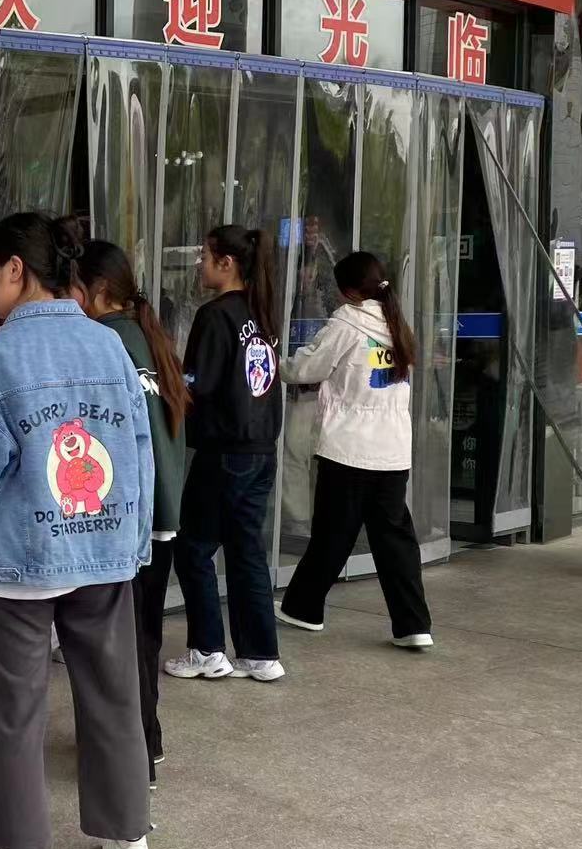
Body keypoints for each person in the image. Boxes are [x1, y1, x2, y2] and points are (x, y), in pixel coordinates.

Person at [0, 212, 155, 849]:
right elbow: (137, 452)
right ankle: (129, 842)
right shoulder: (108, 344)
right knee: (114, 697)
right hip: (103, 548)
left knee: (16, 711)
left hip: (19, 557)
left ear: (15, 269)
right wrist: (132, 540)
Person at [274, 251, 433, 648]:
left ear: (346, 290)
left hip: (348, 448)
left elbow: (307, 368)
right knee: (394, 540)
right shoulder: (397, 325)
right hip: (392, 451)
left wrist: (274, 364)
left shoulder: (346, 321)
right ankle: (413, 625)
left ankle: (304, 609)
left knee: (332, 534)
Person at [76, 240, 188, 789]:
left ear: (97, 291)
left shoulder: (105, 342)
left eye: (73, 289)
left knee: (121, 643)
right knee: (143, 635)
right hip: (162, 514)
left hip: (128, 520)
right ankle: (149, 737)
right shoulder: (148, 336)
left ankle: (133, 750)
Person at [166, 225, 285, 683]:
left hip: (225, 451)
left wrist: (169, 389)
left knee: (194, 547)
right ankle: (260, 654)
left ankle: (207, 649)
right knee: (245, 549)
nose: (199, 264)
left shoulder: (216, 315)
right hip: (260, 450)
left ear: (226, 263)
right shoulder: (261, 311)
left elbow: (198, 382)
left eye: (205, 255)